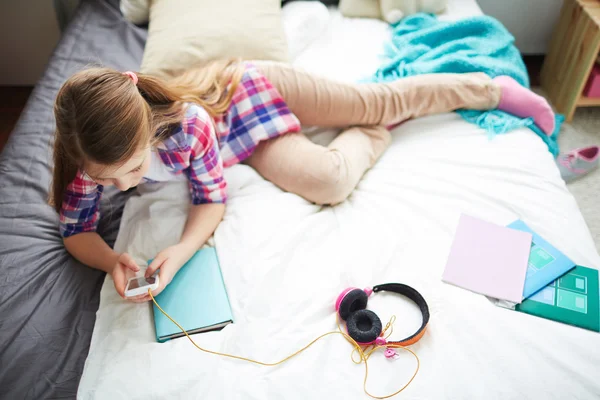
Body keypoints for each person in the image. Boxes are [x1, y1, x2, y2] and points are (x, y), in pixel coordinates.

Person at [50, 59, 555, 302]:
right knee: (330, 182)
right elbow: (76, 230)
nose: (121, 188)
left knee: (376, 100)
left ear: (150, 132)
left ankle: (490, 90)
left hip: (246, 86)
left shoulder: (186, 126)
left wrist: (179, 252)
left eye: (133, 171)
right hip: (242, 137)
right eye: (106, 181)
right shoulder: (85, 156)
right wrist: (113, 259)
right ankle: (375, 134)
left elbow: (210, 198)